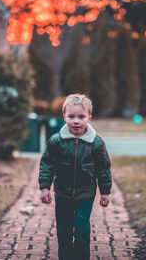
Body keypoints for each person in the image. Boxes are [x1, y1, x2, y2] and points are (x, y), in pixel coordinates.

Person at [38, 94, 112, 260]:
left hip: (85, 195)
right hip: (62, 194)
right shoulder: (56, 141)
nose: (76, 121)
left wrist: (105, 192)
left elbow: (103, 168)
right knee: (63, 231)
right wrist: (44, 188)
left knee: (81, 231)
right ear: (64, 116)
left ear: (89, 118)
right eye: (71, 116)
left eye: (81, 117)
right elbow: (47, 164)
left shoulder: (96, 143)